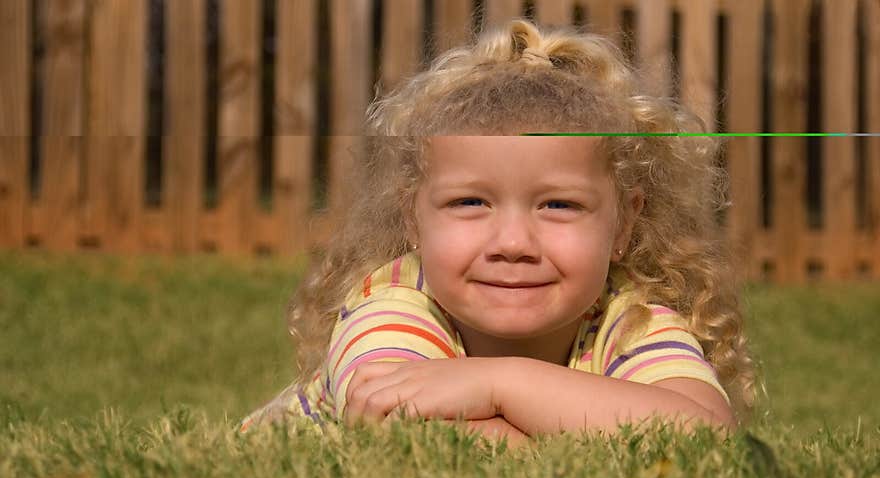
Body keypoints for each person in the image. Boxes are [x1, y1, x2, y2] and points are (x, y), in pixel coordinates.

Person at [238, 18, 755, 447]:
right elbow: (408, 433)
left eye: (558, 204)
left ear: (623, 223)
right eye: (470, 202)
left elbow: (707, 440)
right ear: (414, 218)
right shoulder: (393, 305)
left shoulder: (629, 318)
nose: (512, 244)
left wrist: (501, 384)